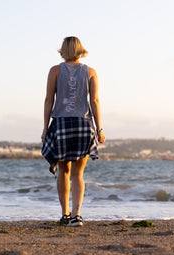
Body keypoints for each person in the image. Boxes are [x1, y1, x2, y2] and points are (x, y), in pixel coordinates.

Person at [41, 36, 105, 227]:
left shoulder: (55, 70)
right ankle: (77, 215)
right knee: (78, 173)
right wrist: (99, 129)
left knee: (63, 170)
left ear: (63, 50)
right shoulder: (91, 72)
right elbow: (94, 101)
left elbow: (48, 100)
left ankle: (65, 214)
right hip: (83, 124)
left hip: (61, 124)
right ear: (80, 50)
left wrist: (45, 128)